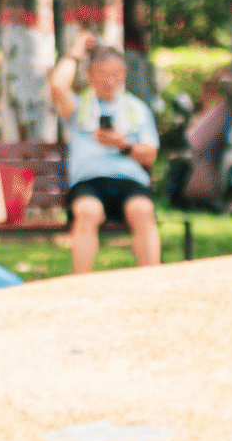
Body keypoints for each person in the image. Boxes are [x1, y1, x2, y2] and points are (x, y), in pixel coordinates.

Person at [49, 32, 161, 274]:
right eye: (104, 74)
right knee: (87, 212)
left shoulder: (136, 109)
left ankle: (152, 280)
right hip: (90, 182)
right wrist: (76, 50)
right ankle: (83, 282)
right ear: (90, 75)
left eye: (116, 74)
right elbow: (58, 85)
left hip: (129, 181)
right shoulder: (78, 107)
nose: (111, 81)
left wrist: (123, 145)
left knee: (142, 210)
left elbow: (150, 155)